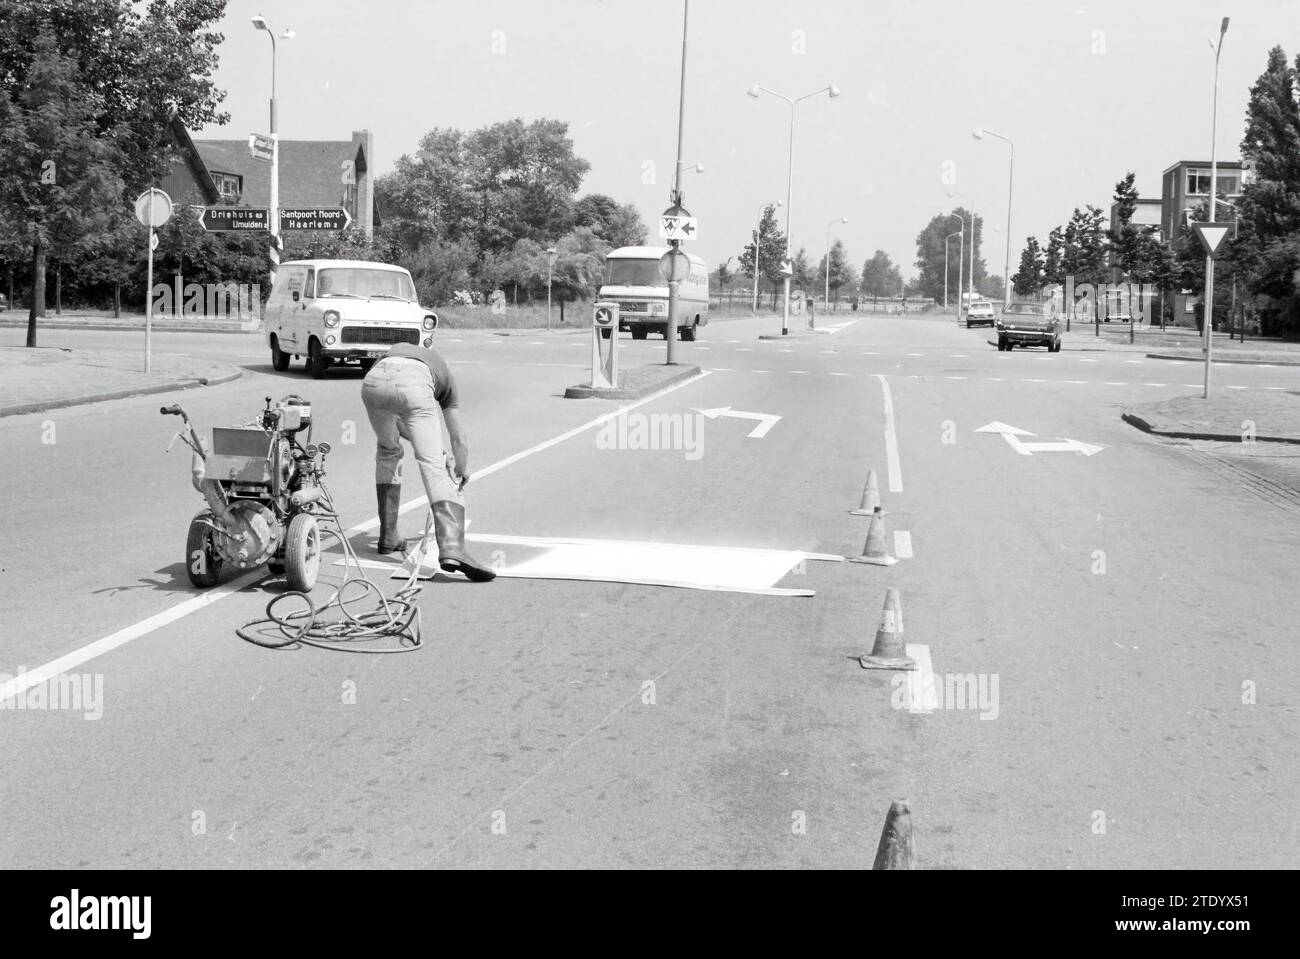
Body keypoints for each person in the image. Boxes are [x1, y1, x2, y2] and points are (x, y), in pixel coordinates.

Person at [361, 340, 495, 582]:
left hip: (373, 382)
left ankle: (388, 535)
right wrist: (461, 467)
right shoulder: (444, 375)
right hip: (413, 386)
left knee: (388, 450)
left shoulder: (397, 352)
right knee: (432, 466)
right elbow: (458, 437)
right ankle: (453, 548)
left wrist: (436, 450)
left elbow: (401, 422)